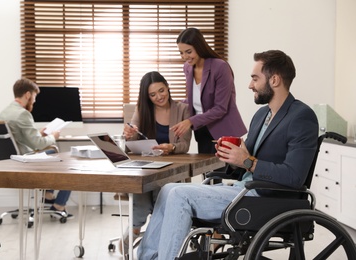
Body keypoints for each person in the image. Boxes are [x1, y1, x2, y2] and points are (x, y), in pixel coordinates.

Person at [137, 50, 319, 260]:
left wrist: (248, 162)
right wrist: (231, 156)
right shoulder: (262, 115)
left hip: (265, 197)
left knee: (179, 196)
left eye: (255, 78)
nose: (250, 85)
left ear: (275, 80)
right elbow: (246, 160)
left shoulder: (301, 116)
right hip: (244, 189)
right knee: (168, 189)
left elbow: (295, 177)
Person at [120, 71, 192, 254]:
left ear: (167, 87)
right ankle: (135, 230)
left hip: (171, 168)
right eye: (153, 94)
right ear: (147, 97)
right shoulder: (142, 110)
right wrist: (129, 133)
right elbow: (131, 140)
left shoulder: (182, 109)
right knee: (140, 190)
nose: (159, 97)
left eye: (162, 90)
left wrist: (172, 148)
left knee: (162, 193)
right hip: (147, 166)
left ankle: (155, 237)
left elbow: (184, 144)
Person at [0, 78, 73, 219]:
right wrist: (53, 135)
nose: (34, 100)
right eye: (34, 96)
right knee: (65, 159)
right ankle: (59, 204)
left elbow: (19, 138)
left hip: (9, 159)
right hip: (24, 159)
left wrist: (40, 133)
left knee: (51, 151)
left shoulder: (5, 112)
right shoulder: (23, 113)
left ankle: (48, 194)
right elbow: (38, 144)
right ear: (27, 95)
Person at [170, 27, 247, 154]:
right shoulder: (188, 68)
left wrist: (190, 121)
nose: (185, 57)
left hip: (223, 131)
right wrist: (172, 105)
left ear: (199, 47)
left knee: (222, 173)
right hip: (202, 129)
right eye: (181, 53)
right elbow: (195, 99)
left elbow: (220, 108)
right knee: (206, 172)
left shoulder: (220, 67)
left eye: (188, 51)